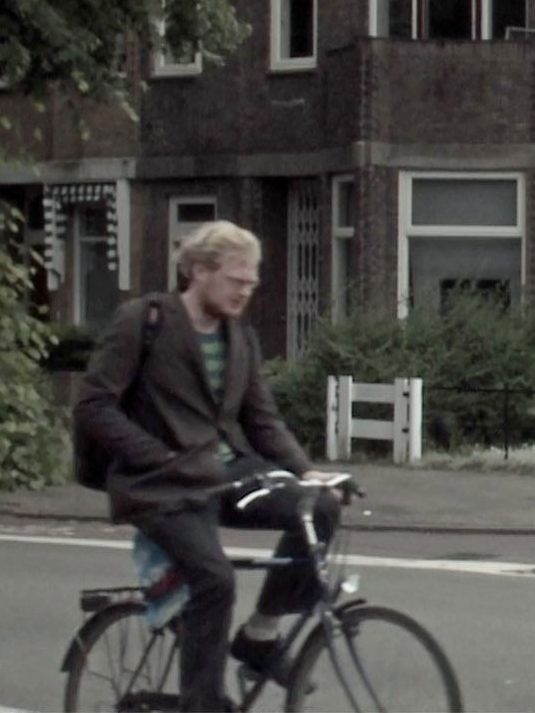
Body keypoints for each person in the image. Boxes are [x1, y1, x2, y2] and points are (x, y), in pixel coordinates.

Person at [75, 220, 339, 712]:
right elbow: (93, 406)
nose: (246, 290)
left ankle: (260, 637)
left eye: (252, 282)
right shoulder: (145, 320)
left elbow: (261, 419)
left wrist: (306, 472)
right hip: (160, 486)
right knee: (216, 581)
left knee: (319, 508)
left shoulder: (240, 337)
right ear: (199, 270)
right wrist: (155, 455)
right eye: (237, 279)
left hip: (223, 476)